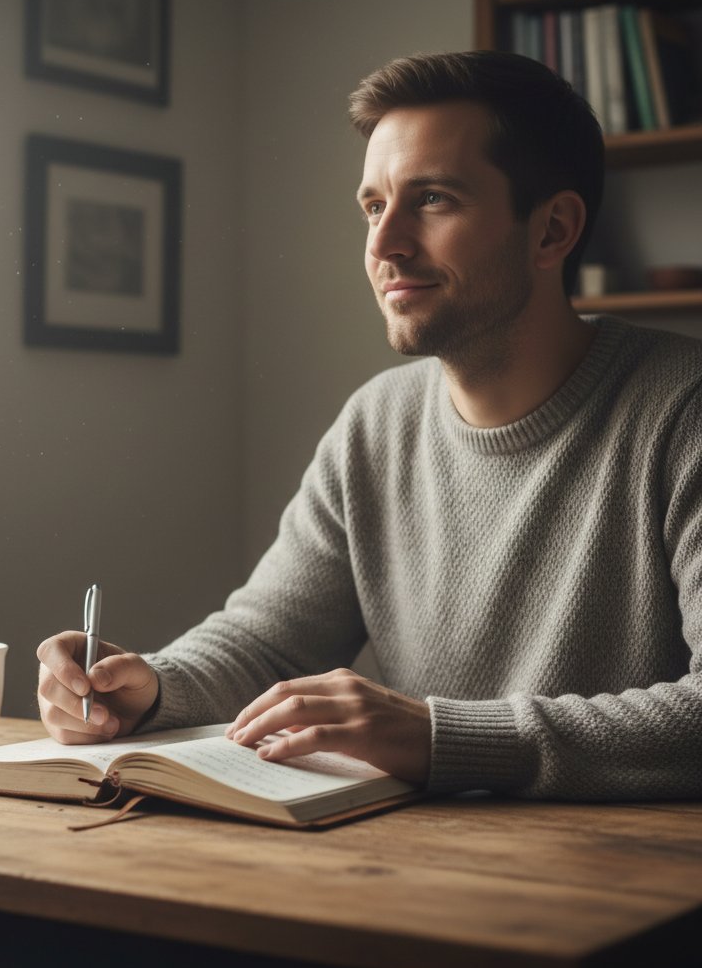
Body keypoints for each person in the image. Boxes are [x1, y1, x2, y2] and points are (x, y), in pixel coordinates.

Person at [36, 51, 702, 800]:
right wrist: (152, 687)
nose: (384, 246)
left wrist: (442, 738)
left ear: (553, 231)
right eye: (375, 206)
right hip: (410, 871)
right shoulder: (377, 423)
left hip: (637, 890)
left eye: (435, 200)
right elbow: (266, 641)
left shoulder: (683, 412)